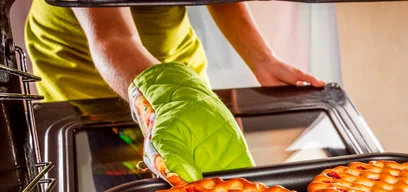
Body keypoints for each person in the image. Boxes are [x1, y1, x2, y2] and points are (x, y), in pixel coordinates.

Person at [25, 0, 326, 101]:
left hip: (172, 46)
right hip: (84, 61)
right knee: (118, 162)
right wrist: (174, 105)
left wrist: (263, 60)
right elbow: (112, 36)